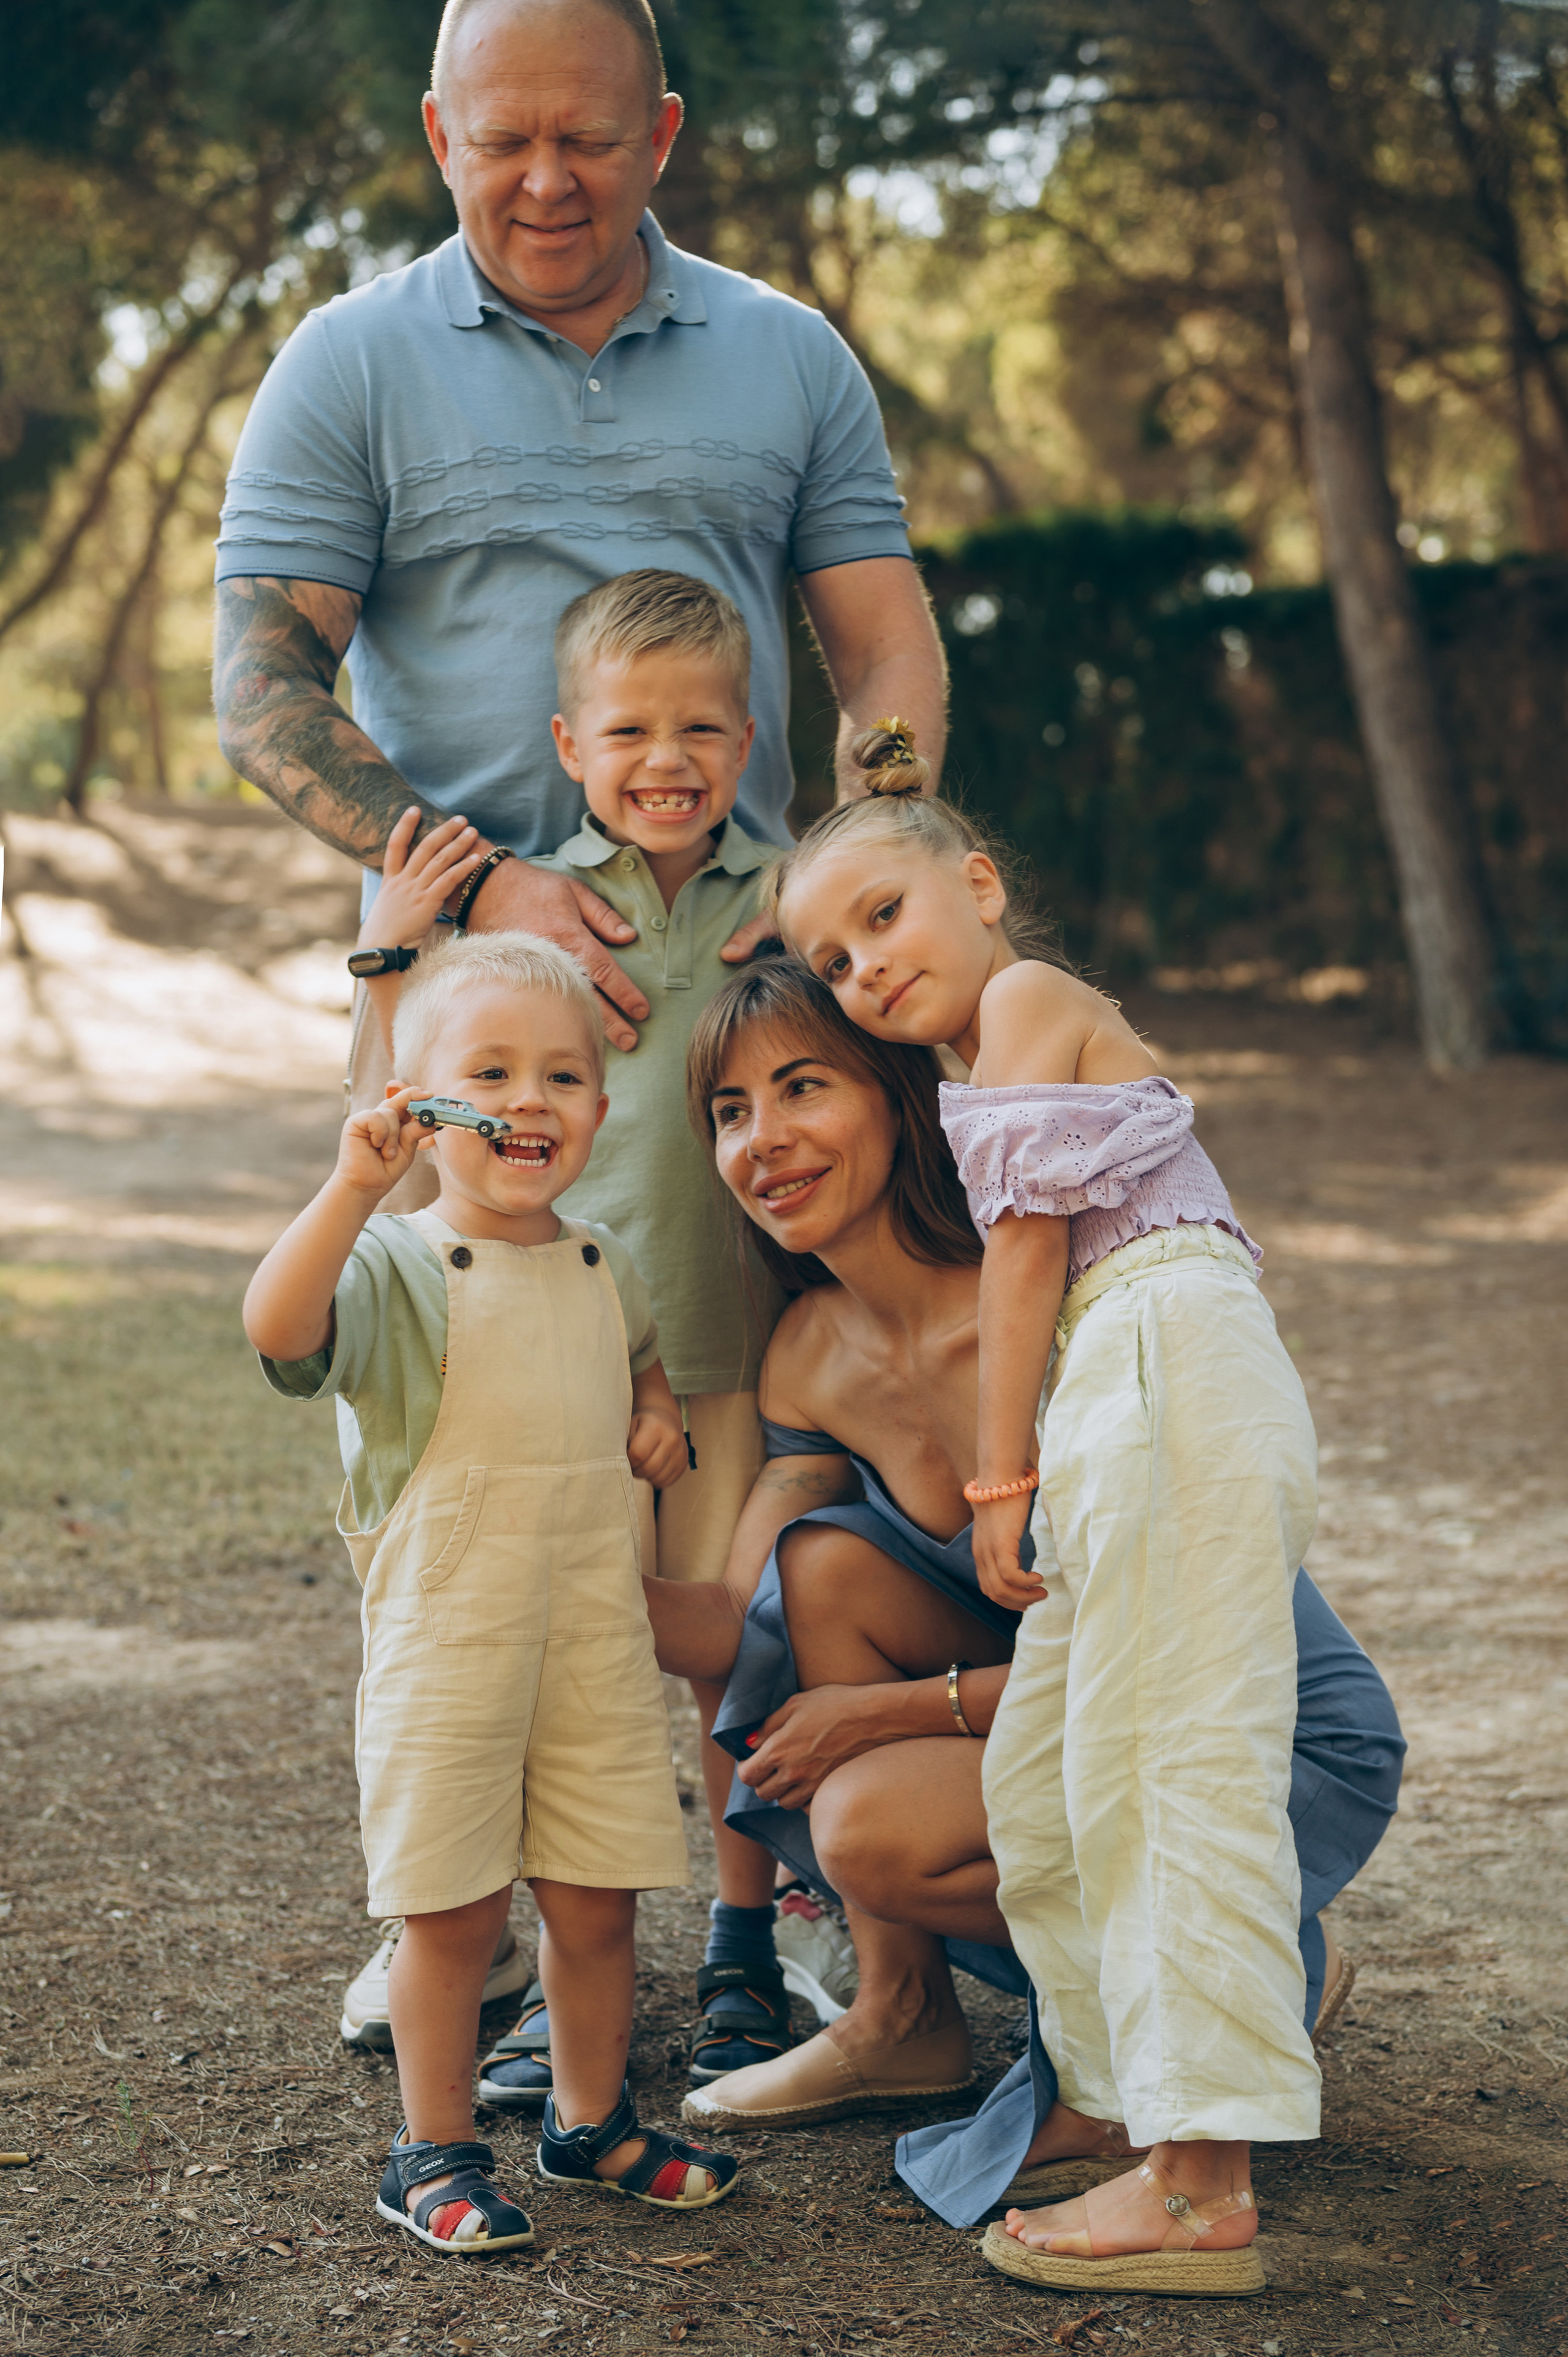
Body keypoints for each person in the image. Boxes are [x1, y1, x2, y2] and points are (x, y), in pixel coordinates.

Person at [638, 958, 1401, 2242]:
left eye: (800, 1087)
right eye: (727, 1109)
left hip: (1247, 1727)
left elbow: (1146, 1651)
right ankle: (900, 2020)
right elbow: (736, 1618)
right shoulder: (807, 1353)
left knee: (871, 1823)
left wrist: (885, 1712)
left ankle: (1249, 1968)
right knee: (821, 1568)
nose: (761, 1138)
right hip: (1076, 1708)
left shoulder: (1045, 1314)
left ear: (896, 1097)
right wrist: (534, 1558)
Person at [763, 741, 1322, 2295]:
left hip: (1160, 1368)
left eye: (881, 915)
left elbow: (1022, 1261)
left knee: (1163, 1772)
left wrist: (1000, 1475)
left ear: (980, 882)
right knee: (1055, 1775)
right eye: (832, 957)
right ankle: (1117, 2097)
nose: (863, 966)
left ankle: (1203, 2186)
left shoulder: (1019, 1003)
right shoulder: (977, 1058)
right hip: (1126, 1395)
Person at [211, 0, 946, 1069]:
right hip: (456, 1019)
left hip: (749, 1014)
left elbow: (884, 649)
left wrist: (854, 863)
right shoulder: (344, 365)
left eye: (590, 141)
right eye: (505, 142)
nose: (547, 182)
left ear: (659, 136)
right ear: (441, 139)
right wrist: (485, 888)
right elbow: (259, 693)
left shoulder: (795, 355)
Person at [342, 569, 820, 2092]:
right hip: (563, 1374)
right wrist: (390, 954)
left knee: (735, 1660)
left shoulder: (789, 903)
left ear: (747, 740)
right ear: (567, 742)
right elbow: (410, 1113)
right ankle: (566, 1975)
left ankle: (748, 1937)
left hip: (738, 1355)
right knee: (568, 1664)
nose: (662, 757)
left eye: (698, 726)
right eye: (626, 729)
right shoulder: (535, 920)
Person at [242, 932, 739, 2251]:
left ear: (598, 1104)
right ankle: (433, 2147)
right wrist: (352, 1188)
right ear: (420, 1102)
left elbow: (635, 1359)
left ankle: (587, 2119)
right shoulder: (398, 1266)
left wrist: (652, 1415)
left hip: (588, 1633)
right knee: (452, 1909)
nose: (532, 1100)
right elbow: (278, 1330)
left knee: (594, 1898)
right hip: (448, 1645)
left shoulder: (603, 1260)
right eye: (494, 1071)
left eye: (564, 1076)